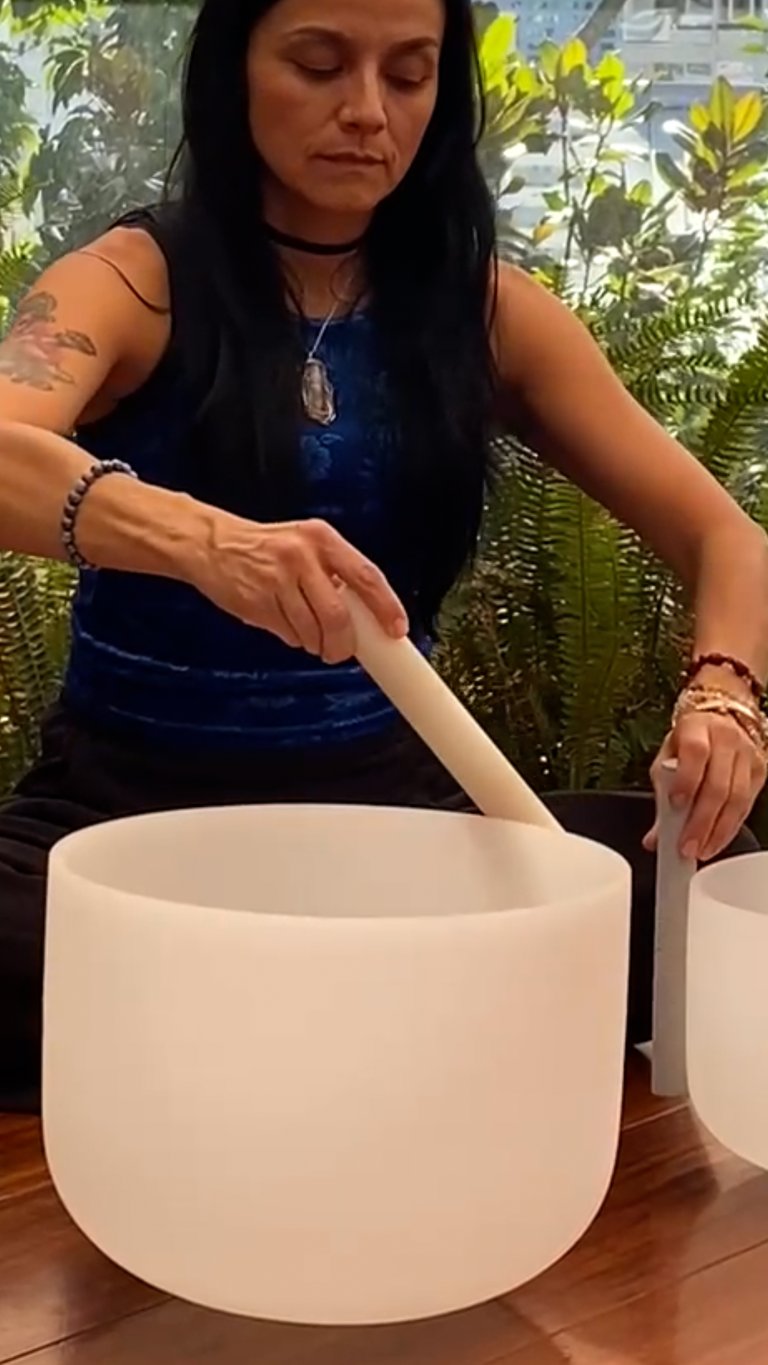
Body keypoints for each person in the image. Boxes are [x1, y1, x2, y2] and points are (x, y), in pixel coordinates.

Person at [0, 0, 767, 1112]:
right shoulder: (131, 282)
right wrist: (203, 540)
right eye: (319, 64)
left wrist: (726, 694)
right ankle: (365, 1025)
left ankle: (271, 1027)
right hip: (122, 819)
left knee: (707, 877)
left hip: (399, 824)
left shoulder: (487, 314)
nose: (367, 111)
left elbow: (726, 538)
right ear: (235, 70)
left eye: (408, 75)